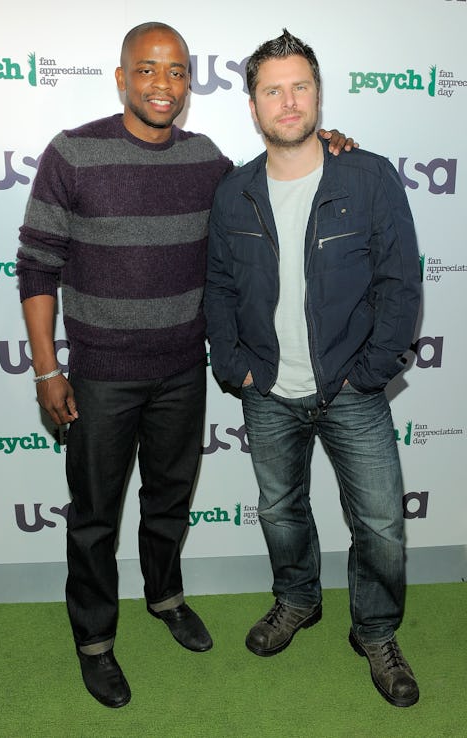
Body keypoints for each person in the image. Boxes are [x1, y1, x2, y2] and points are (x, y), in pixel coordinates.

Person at [17, 21, 354, 709]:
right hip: (100, 376)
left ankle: (165, 596)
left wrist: (326, 146)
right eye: (146, 69)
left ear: (189, 84)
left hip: (181, 370)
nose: (161, 84)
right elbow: (37, 266)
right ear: (122, 78)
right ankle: (94, 641)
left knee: (168, 502)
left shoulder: (206, 161)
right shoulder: (72, 153)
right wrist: (48, 371)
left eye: (175, 72)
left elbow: (270, 184)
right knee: (94, 517)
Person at [205, 29, 421, 708]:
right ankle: (298, 599)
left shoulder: (369, 177)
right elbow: (219, 287)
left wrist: (370, 371)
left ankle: (376, 632)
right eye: (273, 90)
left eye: (300, 86)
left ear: (319, 94)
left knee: (381, 525)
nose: (289, 101)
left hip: (351, 387)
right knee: (280, 512)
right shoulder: (233, 192)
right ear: (253, 106)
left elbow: (400, 284)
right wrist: (235, 368)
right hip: (267, 389)